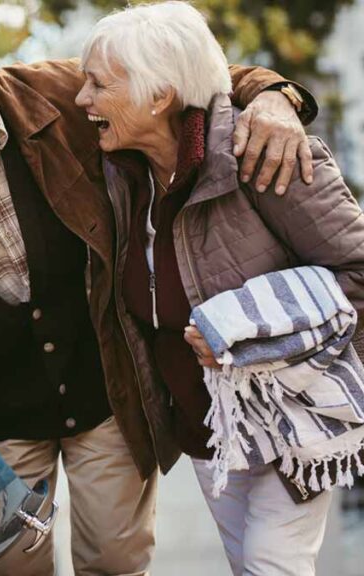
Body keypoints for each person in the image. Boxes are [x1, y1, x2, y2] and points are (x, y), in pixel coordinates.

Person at [0, 1, 315, 573]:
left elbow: (187, 78)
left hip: (104, 387)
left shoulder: (61, 96)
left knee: (115, 560)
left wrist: (272, 96)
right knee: (8, 565)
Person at [74, 2, 364, 574]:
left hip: (294, 424)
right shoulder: (125, 176)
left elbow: (358, 270)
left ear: (158, 96)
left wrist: (252, 339)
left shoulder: (262, 153)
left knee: (268, 563)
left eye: (97, 86)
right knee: (246, 563)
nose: (82, 100)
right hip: (210, 434)